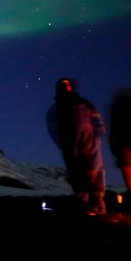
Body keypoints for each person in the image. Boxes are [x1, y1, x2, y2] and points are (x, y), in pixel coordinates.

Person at [46, 77, 106, 214]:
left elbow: (98, 122)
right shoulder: (55, 109)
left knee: (94, 173)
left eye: (67, 84)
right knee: (77, 175)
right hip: (70, 147)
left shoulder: (84, 104)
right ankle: (83, 205)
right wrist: (63, 144)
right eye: (62, 85)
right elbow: (53, 129)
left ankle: (98, 205)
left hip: (91, 144)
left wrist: (97, 138)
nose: (65, 87)